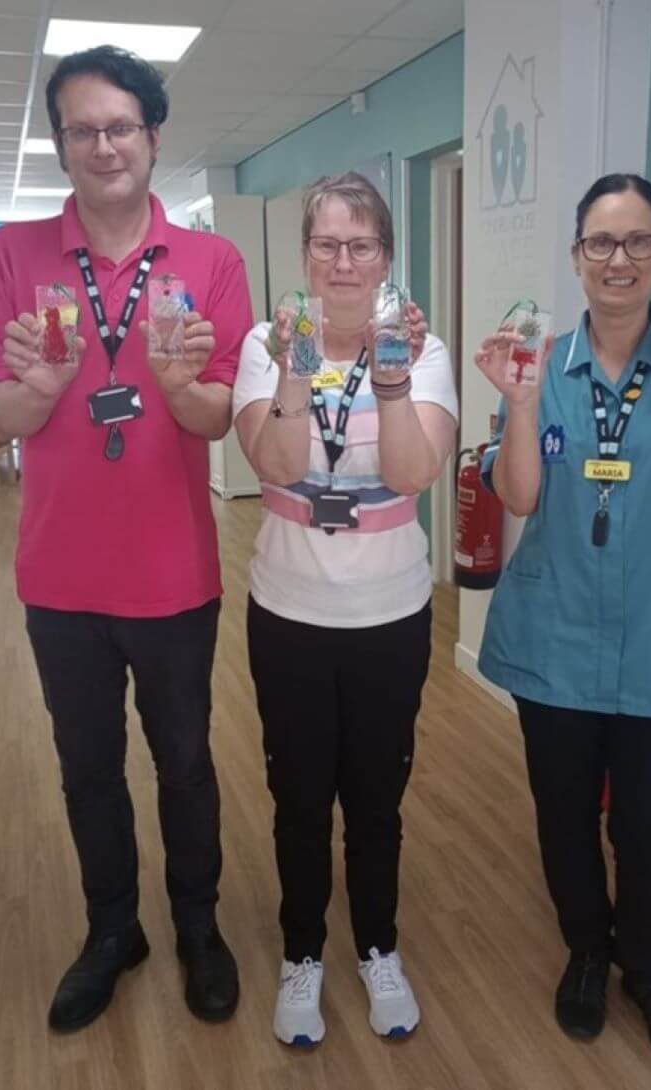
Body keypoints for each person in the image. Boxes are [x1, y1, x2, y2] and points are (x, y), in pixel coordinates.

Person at [0, 45, 251, 1031]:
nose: (103, 145)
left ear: (153, 137)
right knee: (86, 765)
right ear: (61, 143)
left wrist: (181, 385)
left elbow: (221, 421)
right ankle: (110, 929)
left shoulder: (213, 261)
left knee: (185, 763)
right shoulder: (10, 256)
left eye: (120, 126)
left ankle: (199, 929)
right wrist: (39, 387)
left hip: (175, 569)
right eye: (81, 129)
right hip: (60, 574)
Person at [474, 173, 651, 1063]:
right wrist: (520, 408)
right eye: (601, 242)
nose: (619, 259)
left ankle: (648, 966)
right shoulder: (537, 363)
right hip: (555, 631)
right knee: (564, 814)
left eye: (639, 241)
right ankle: (586, 956)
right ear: (575, 257)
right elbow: (518, 495)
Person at [230, 173, 457, 1048]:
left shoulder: (421, 350)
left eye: (361, 245)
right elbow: (276, 462)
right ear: (304, 257)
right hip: (287, 610)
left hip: (390, 613)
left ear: (387, 257)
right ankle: (301, 956)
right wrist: (294, 366)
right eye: (326, 244)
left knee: (375, 797)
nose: (343, 261)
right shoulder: (266, 342)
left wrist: (392, 384)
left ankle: (376, 948)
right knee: (296, 796)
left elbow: (410, 475)